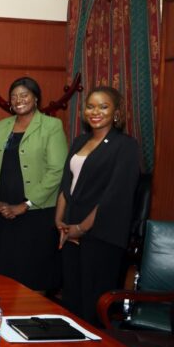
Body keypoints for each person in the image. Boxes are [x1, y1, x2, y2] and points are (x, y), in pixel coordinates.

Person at [55, 86, 140, 325]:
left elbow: (114, 196)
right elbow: (66, 184)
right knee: (71, 301)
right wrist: (59, 221)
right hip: (69, 229)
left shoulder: (125, 146)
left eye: (103, 107)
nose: (95, 112)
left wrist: (82, 228)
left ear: (116, 112)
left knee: (92, 306)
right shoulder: (79, 141)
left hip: (101, 233)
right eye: (91, 106)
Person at [0, 77, 67, 290]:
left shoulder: (51, 126)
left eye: (24, 95)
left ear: (36, 98)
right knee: (3, 275)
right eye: (14, 96)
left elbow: (57, 171)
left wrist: (25, 204)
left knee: (33, 276)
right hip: (3, 214)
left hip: (35, 215)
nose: (18, 100)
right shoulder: (2, 126)